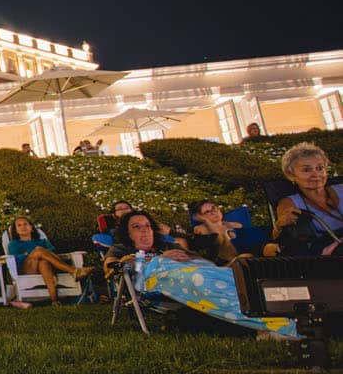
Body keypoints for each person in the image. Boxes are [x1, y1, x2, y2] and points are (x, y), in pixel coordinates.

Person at [104, 209, 295, 338]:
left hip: (201, 272)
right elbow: (112, 268)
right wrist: (157, 258)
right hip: (163, 278)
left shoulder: (167, 244)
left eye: (147, 226)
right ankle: (270, 326)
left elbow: (205, 263)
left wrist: (188, 258)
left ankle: (288, 314)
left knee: (239, 278)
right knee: (202, 281)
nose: (144, 230)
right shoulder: (121, 248)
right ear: (128, 234)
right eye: (136, 227)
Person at [272, 142, 342, 256]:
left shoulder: (341, 189)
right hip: (327, 257)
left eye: (320, 168)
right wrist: (281, 224)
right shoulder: (290, 203)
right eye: (307, 170)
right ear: (291, 175)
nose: (316, 174)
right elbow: (279, 235)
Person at [5, 215, 91, 303]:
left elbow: (52, 253)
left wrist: (40, 255)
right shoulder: (14, 244)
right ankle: (73, 270)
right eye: (19, 225)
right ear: (16, 230)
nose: (23, 227)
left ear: (31, 227)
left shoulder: (42, 241)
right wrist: (32, 253)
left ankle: (54, 300)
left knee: (43, 262)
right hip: (28, 269)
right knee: (39, 250)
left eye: (25, 224)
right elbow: (15, 258)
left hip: (47, 267)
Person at [187, 200, 242, 265]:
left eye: (214, 208)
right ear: (199, 217)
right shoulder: (199, 229)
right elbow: (217, 236)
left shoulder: (235, 225)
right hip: (222, 263)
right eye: (207, 212)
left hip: (244, 257)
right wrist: (206, 221)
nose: (213, 213)